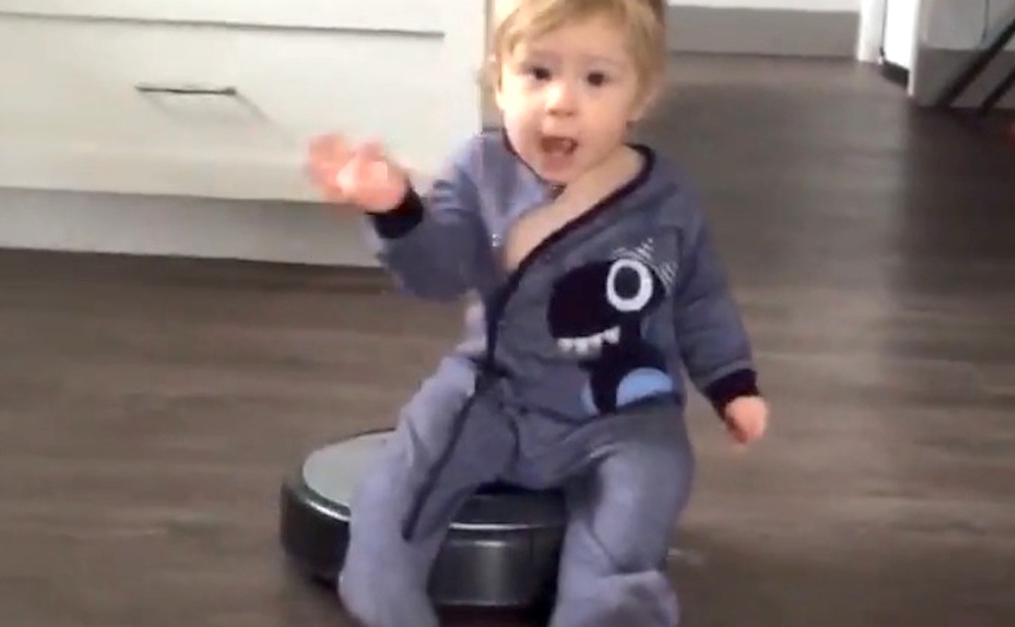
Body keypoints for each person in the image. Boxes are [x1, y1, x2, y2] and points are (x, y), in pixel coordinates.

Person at [303, 0, 769, 625]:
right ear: (498, 80)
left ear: (642, 94)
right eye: (538, 73)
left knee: (642, 499)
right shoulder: (478, 173)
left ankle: (605, 610)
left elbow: (700, 296)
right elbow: (437, 273)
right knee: (393, 500)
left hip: (622, 412)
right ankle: (391, 607)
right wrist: (396, 209)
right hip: (494, 392)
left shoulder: (666, 198)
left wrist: (732, 382)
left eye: (596, 79)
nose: (561, 103)